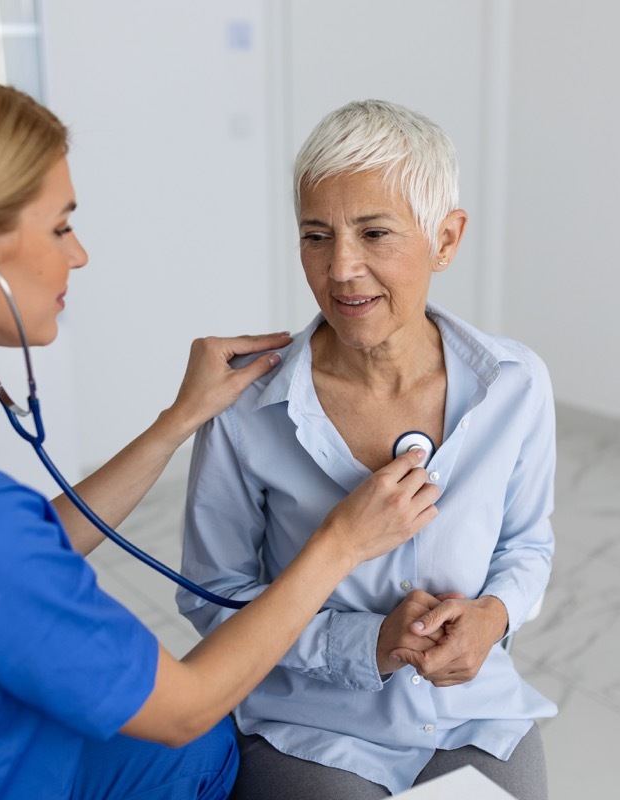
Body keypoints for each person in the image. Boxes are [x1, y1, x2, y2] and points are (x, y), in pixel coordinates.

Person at [0, 61, 442, 799]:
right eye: (62, 225)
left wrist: (175, 424)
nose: (79, 253)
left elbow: (5, 560)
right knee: (200, 745)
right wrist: (341, 544)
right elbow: (185, 704)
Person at [178, 99, 558, 799]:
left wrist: (493, 617)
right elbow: (213, 598)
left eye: (375, 232)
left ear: (446, 239)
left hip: (471, 713)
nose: (342, 267)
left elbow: (528, 545)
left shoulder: (515, 385)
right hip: (312, 722)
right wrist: (367, 645)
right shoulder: (246, 410)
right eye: (316, 235)